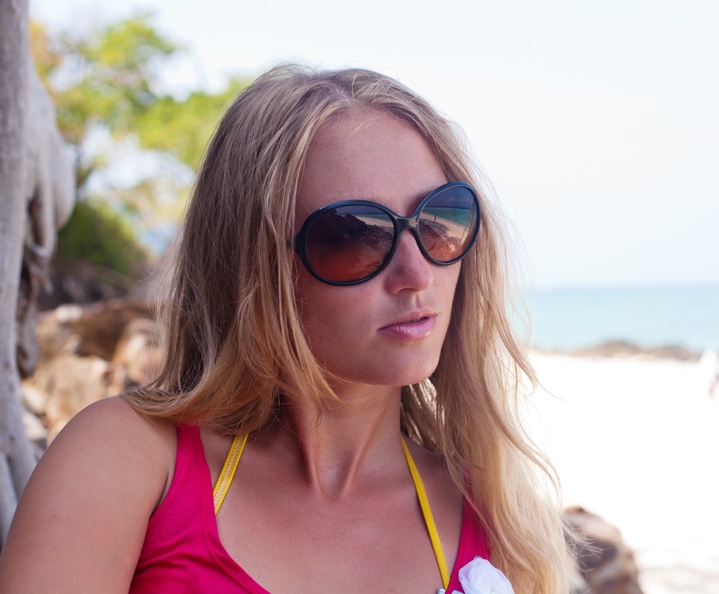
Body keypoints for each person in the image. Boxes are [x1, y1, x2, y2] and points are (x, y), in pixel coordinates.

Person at [0, 65, 569, 593]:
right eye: (355, 235)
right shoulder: (126, 461)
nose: (417, 274)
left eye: (441, 219)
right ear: (255, 265)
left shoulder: (495, 519)